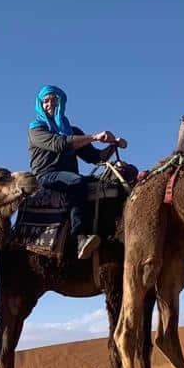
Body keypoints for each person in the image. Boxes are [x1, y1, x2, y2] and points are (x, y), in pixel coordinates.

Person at [27, 84, 126, 260]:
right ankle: (80, 236)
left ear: (61, 102)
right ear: (40, 105)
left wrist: (114, 145)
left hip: (68, 175)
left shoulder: (73, 132)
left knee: (107, 185)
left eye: (54, 100)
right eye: (46, 101)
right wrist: (94, 136)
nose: (50, 104)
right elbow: (60, 144)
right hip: (46, 176)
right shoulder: (36, 129)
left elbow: (95, 158)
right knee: (76, 182)